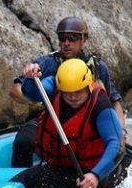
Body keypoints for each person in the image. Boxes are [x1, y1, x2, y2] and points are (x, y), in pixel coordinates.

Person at [13, 58, 126, 188]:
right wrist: (31, 79)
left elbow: (117, 144)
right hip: (64, 169)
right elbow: (32, 92)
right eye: (68, 93)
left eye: (78, 91)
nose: (73, 97)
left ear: (88, 85)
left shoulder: (101, 107)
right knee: (28, 179)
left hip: (91, 175)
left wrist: (95, 175)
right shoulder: (55, 86)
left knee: (36, 184)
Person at [11, 16, 126, 167]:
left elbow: (114, 102)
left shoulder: (98, 67)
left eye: (72, 38)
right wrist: (35, 96)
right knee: (23, 141)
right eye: (62, 38)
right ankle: (20, 181)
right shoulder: (46, 63)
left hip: (87, 120)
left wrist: (122, 131)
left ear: (84, 39)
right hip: (47, 116)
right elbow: (15, 90)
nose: (66, 43)